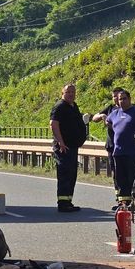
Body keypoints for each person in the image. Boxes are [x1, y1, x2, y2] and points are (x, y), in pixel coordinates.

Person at [49, 83, 87, 212]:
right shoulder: (60, 107)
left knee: (72, 174)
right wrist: (60, 142)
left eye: (73, 92)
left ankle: (68, 201)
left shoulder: (73, 106)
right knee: (65, 174)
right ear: (62, 93)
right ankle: (63, 203)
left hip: (72, 146)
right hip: (63, 147)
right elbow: (53, 124)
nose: (71, 94)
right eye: (68, 92)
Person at [106, 90, 135, 204]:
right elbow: (107, 121)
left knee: (133, 179)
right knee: (121, 180)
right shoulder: (115, 113)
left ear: (129, 99)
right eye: (120, 99)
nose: (122, 101)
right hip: (118, 153)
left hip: (133, 152)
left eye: (124, 98)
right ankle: (124, 203)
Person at [90, 87, 123, 194]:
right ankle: (119, 198)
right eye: (114, 97)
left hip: (126, 146)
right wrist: (101, 116)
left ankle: (129, 197)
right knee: (116, 172)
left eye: (118, 96)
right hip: (112, 146)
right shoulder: (110, 108)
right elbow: (94, 118)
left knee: (126, 172)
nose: (116, 99)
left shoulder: (129, 110)